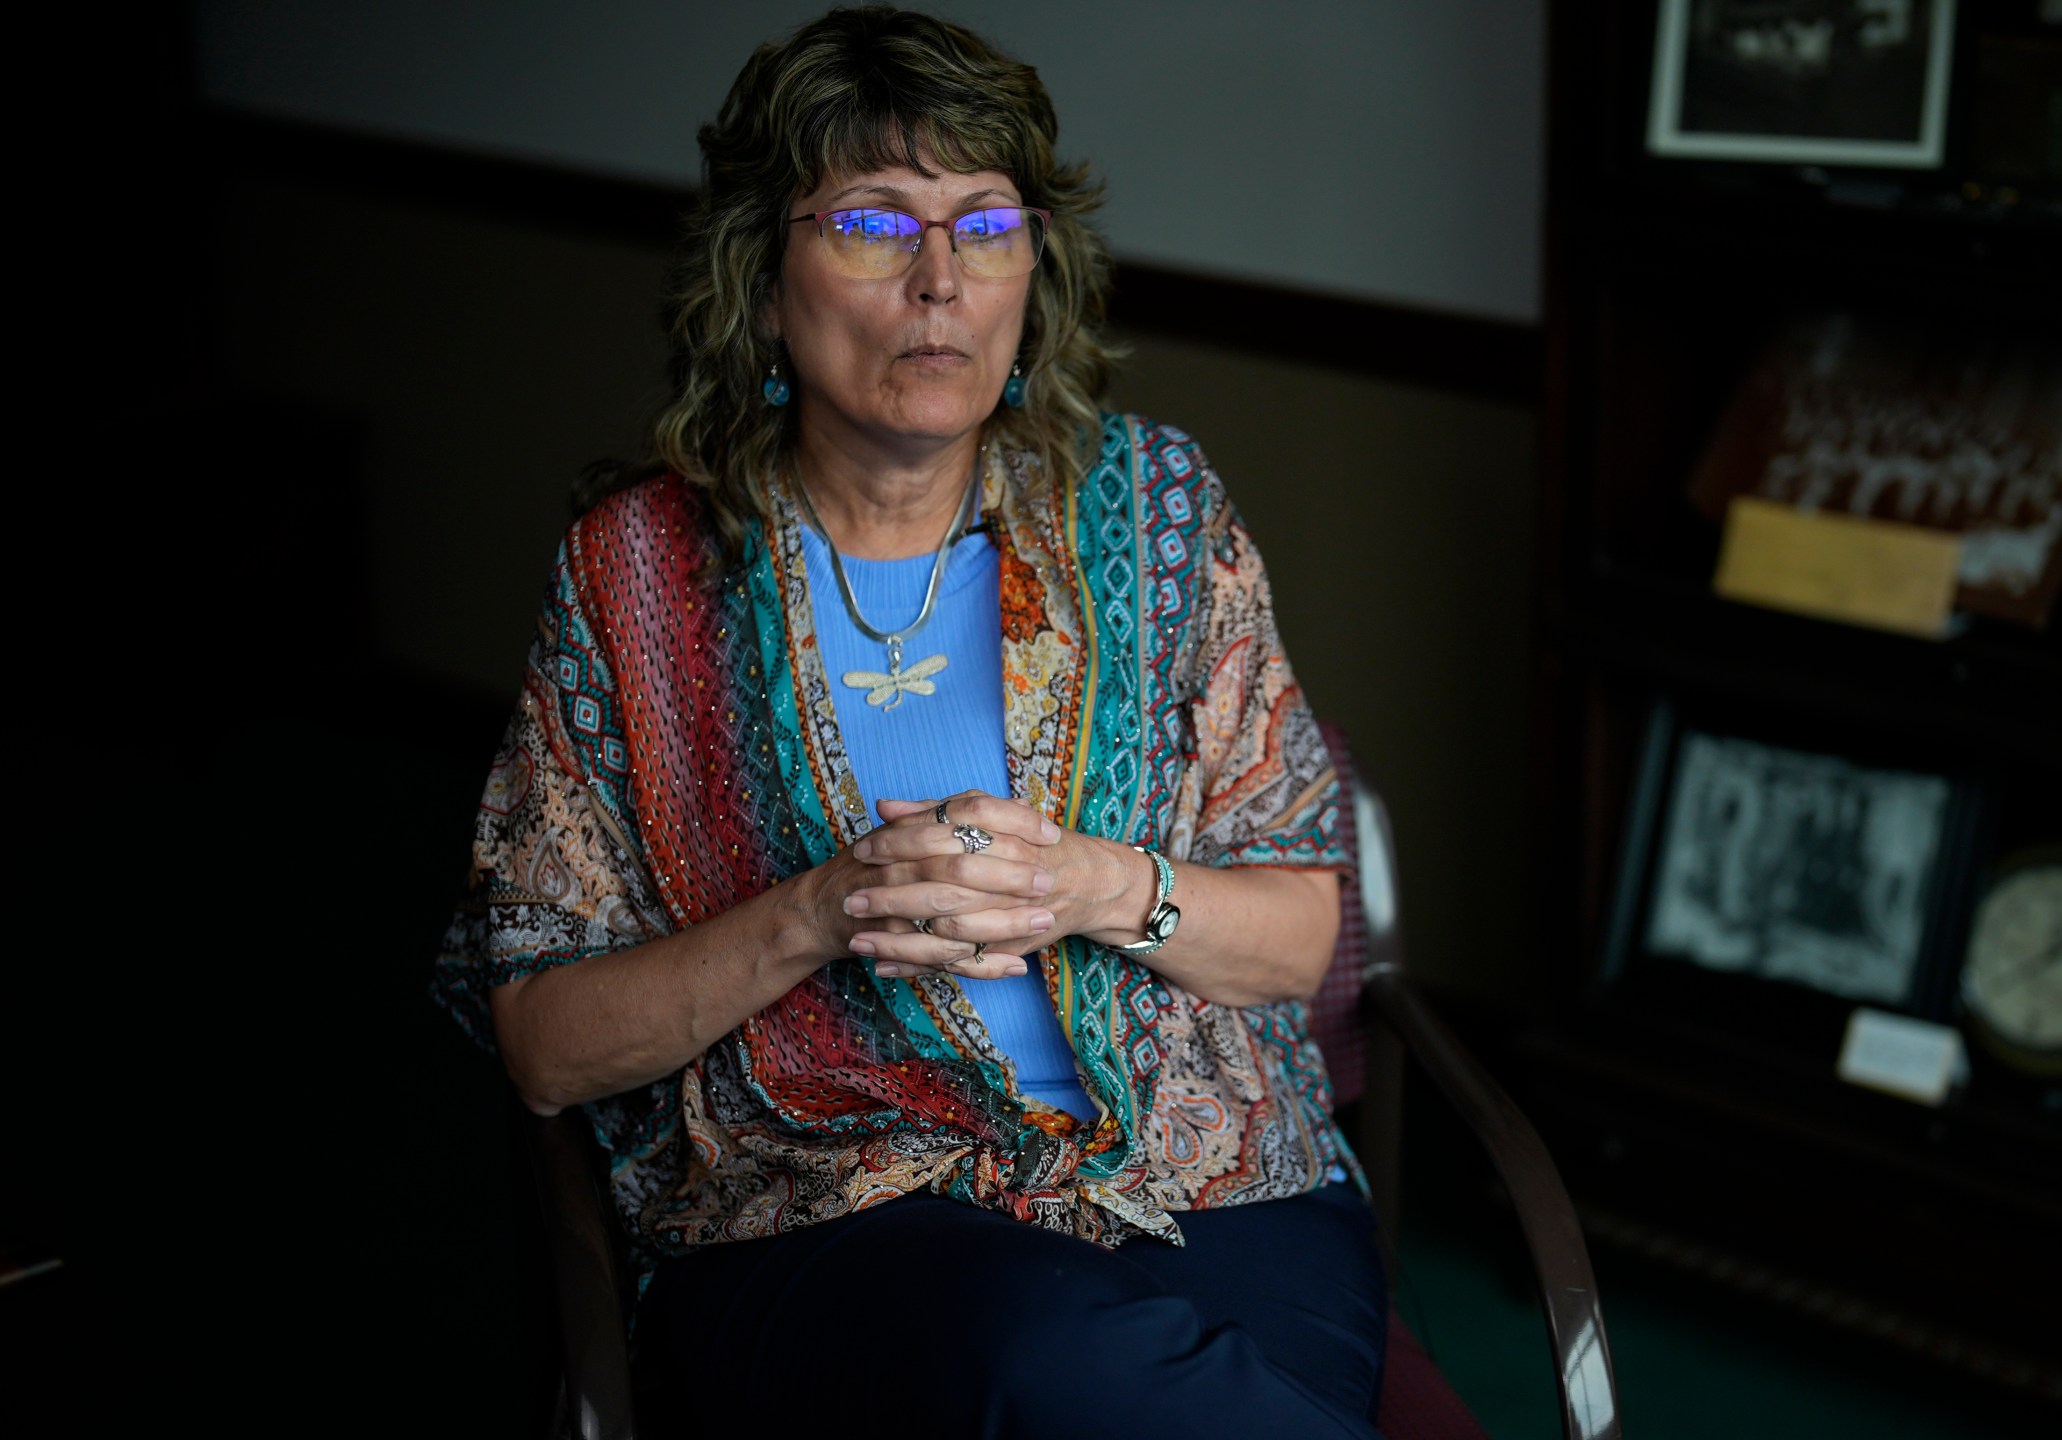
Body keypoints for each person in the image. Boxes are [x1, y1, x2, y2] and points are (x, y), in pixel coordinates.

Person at [431, 8, 1383, 1436]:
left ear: (1033, 271)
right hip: (831, 1196)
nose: (942, 280)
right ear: (762, 281)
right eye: (876, 225)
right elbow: (547, 1043)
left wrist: (1095, 883)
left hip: (1205, 1169)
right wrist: (821, 910)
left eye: (987, 224)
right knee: (1044, 1366)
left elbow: (1304, 931)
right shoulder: (636, 574)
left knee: (1207, 1386)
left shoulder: (1160, 513)